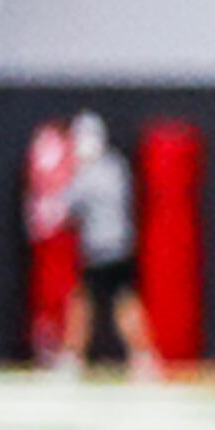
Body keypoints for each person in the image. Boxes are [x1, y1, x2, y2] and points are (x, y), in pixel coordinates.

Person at [57, 114, 158, 377]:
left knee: (89, 305)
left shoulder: (90, 174)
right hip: (121, 247)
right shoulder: (116, 167)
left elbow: (67, 207)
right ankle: (143, 357)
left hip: (101, 252)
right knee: (108, 304)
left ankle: (72, 358)